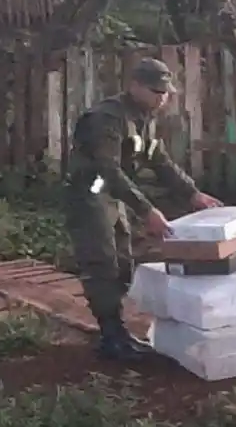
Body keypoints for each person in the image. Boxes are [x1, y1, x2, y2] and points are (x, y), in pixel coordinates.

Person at [64, 57, 223, 361]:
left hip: (112, 194)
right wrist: (147, 210)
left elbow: (159, 160)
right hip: (91, 192)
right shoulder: (107, 118)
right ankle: (111, 337)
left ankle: (118, 330)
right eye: (155, 91)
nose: (161, 98)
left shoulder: (144, 119)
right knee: (102, 262)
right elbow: (108, 169)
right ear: (134, 86)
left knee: (124, 263)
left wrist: (192, 194)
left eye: (165, 92)